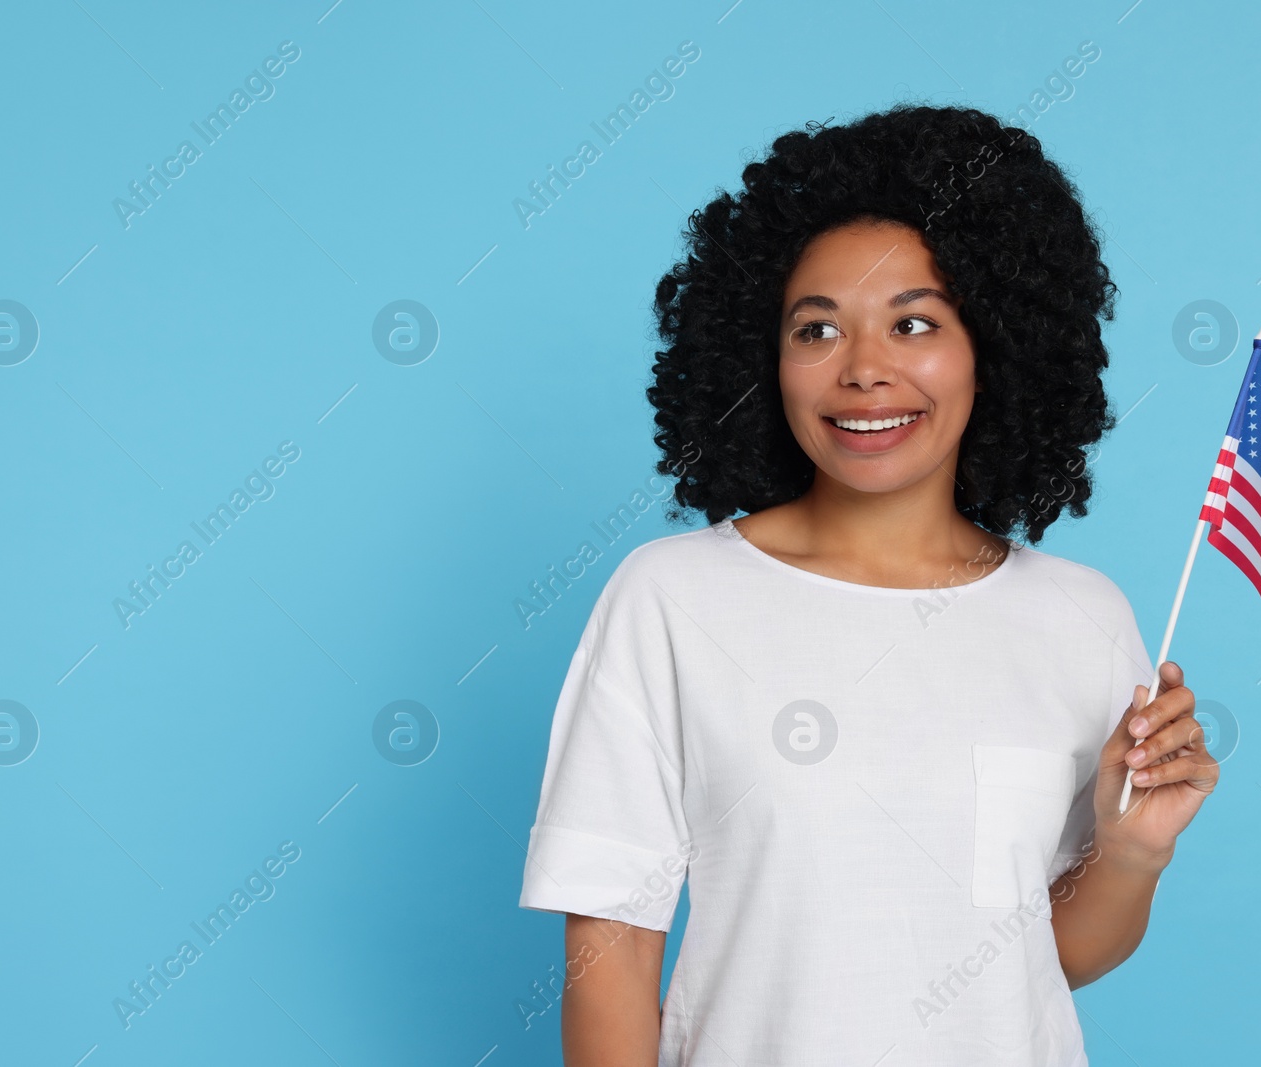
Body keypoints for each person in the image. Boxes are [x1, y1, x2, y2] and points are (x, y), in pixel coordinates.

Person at [517, 103, 1219, 1066]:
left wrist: (1134, 850)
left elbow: (1050, 959)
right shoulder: (673, 598)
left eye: (915, 323)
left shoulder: (1081, 616)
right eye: (817, 330)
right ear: (766, 359)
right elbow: (613, 945)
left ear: (994, 349)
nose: (863, 371)